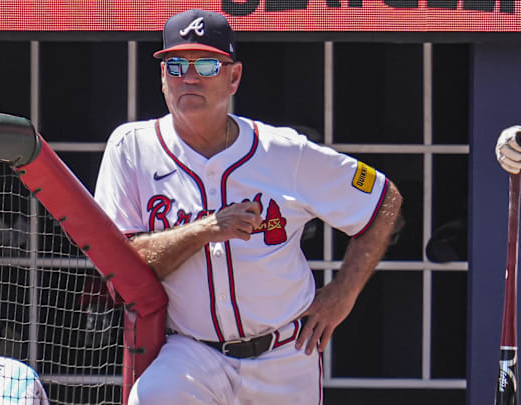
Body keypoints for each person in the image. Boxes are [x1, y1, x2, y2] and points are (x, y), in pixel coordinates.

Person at [94, 9, 403, 405]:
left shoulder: (284, 152)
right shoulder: (131, 148)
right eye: (176, 65)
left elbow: (383, 200)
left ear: (233, 76)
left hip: (285, 353)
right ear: (162, 77)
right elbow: (120, 265)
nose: (189, 77)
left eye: (206, 64)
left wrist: (344, 292)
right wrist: (205, 230)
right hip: (192, 352)